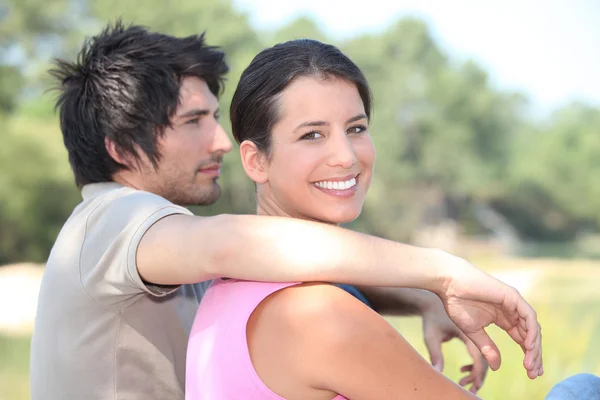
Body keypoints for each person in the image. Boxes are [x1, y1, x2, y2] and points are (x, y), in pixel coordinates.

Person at [30, 21, 542, 400]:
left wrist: (420, 298)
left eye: (358, 127)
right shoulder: (112, 218)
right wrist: (445, 273)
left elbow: (279, 260)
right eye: (194, 122)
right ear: (120, 147)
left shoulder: (162, 248)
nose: (221, 142)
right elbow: (238, 244)